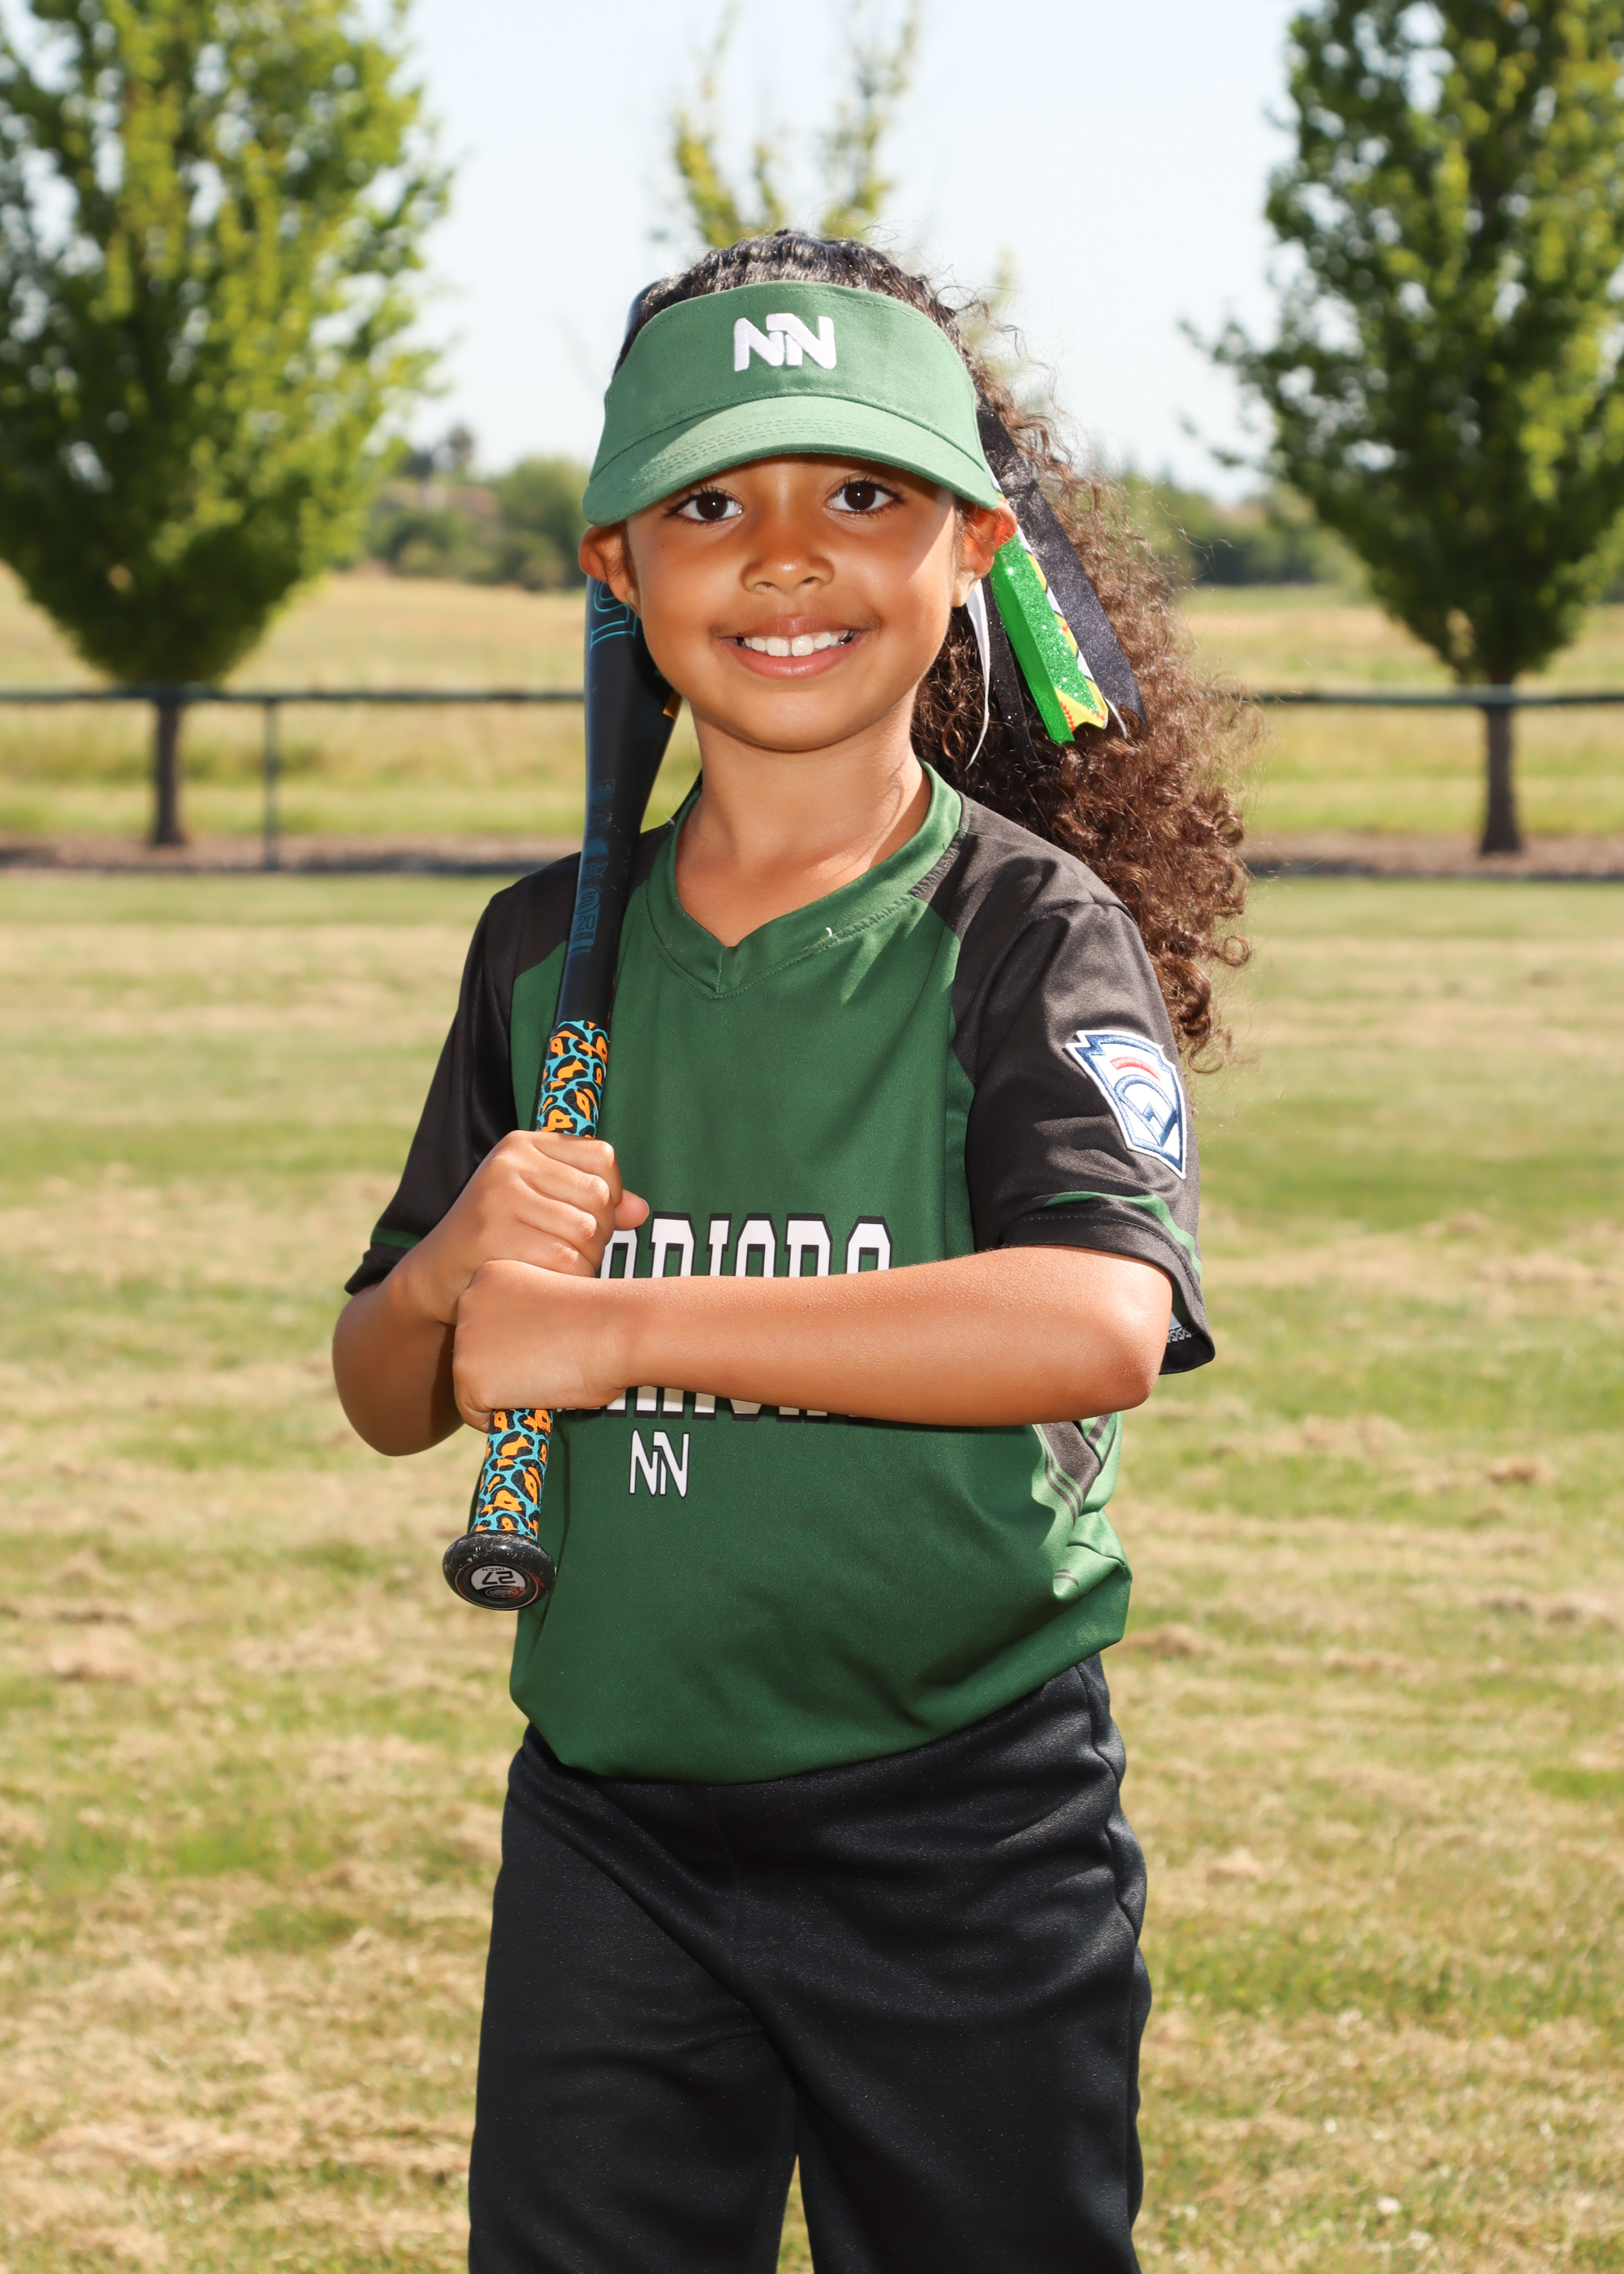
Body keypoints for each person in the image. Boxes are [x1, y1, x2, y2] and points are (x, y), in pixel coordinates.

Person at [332, 233, 1248, 2274]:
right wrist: (451, 1271)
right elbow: (388, 1388)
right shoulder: (542, 950)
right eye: (707, 505)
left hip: (963, 1821)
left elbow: (1096, 1316)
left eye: (858, 492)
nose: (784, 556)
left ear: (972, 548)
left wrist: (621, 1330)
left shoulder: (1022, 931)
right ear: (615, 566)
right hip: (611, 1828)